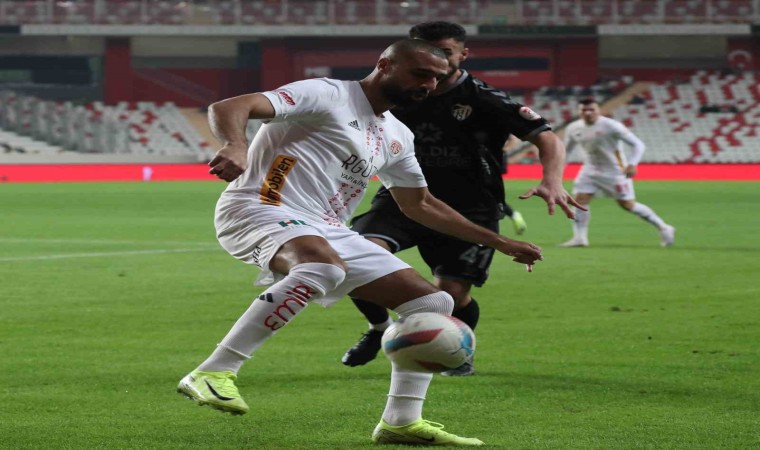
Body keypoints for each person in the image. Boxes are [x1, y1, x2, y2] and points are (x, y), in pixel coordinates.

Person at [176, 38, 547, 446]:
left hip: (326, 226)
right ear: (385, 65)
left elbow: (420, 204)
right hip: (261, 205)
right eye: (420, 74)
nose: (428, 85)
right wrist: (236, 143)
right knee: (322, 267)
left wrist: (499, 242)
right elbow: (230, 106)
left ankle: (400, 421)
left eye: (436, 78)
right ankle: (214, 370)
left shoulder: (397, 134)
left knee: (433, 303)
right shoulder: (327, 94)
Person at [341, 21, 582, 376]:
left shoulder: (484, 98)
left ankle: (458, 349)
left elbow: (546, 137)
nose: (433, 61)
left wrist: (552, 180)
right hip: (403, 198)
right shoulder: (397, 92)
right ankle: (379, 329)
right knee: (355, 259)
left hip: (472, 207)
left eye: (444, 53)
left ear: (464, 54)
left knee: (451, 295)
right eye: (424, 53)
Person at [559, 98, 675, 248]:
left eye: (592, 109)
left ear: (598, 110)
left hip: (615, 170)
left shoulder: (611, 125)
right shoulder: (573, 128)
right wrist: (558, 170)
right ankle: (580, 238)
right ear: (579, 112)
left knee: (627, 204)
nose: (588, 113)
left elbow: (638, 145)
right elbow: (566, 152)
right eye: (584, 110)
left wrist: (632, 164)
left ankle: (664, 227)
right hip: (590, 169)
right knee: (579, 200)